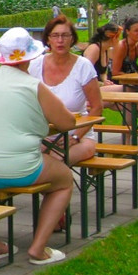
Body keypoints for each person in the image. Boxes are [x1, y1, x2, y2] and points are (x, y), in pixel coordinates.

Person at [0, 27, 77, 265]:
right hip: (16, 167)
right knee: (64, 179)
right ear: (30, 57)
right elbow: (67, 123)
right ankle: (38, 249)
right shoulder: (33, 85)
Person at [28, 16, 102, 166]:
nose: (60, 40)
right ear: (48, 39)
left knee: (55, 160)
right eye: (55, 35)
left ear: (72, 39)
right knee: (21, 159)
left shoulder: (83, 66)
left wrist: (75, 137)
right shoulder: (35, 65)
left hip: (78, 136)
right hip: (42, 136)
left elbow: (97, 107)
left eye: (65, 35)